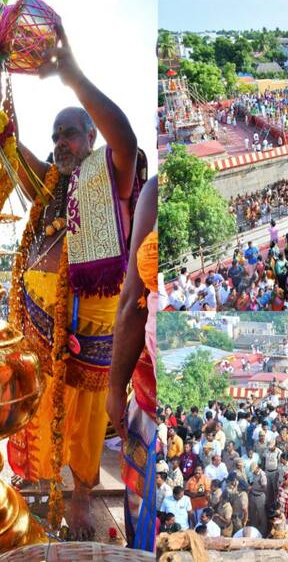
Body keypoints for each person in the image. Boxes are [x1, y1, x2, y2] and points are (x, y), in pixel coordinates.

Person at [6, 22, 143, 538]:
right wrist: (0, 123)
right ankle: (37, 484)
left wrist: (73, 77)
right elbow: (19, 157)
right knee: (37, 408)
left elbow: (125, 138)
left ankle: (82, 496)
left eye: (69, 133)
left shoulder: (113, 176)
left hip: (92, 333)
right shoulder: (54, 185)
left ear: (90, 137)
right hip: (41, 327)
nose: (60, 142)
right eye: (55, 136)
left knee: (85, 421)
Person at [106, 177, 157, 551]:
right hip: (146, 399)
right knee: (140, 523)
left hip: (155, 399)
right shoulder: (154, 192)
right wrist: (115, 386)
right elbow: (132, 301)